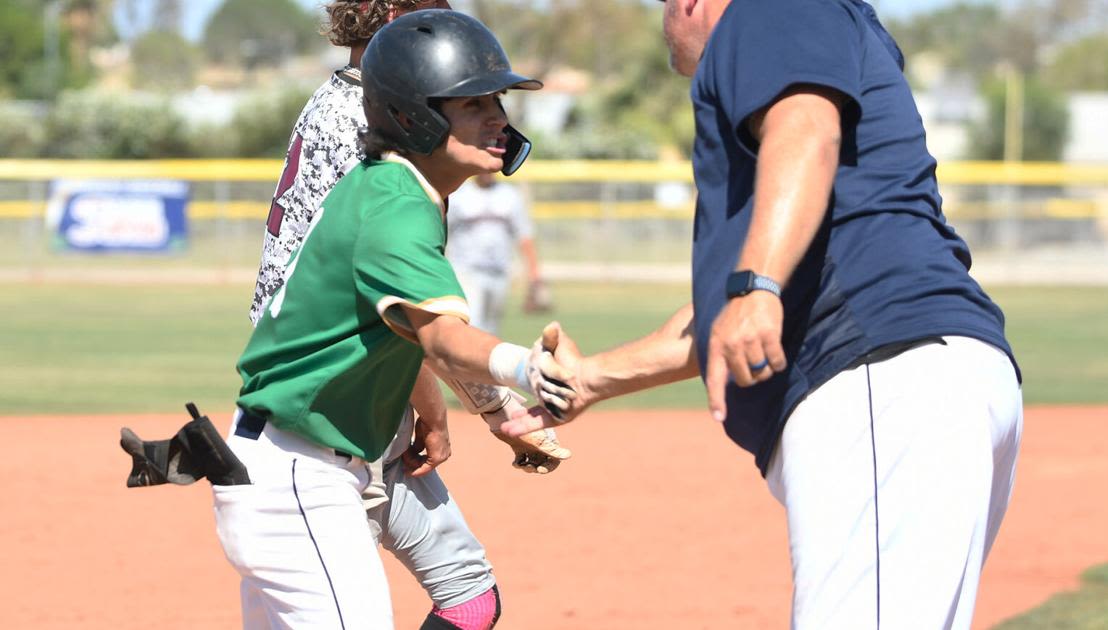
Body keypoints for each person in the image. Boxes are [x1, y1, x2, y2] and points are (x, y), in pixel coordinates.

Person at [502, 0, 1024, 627]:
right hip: (907, 372)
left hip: (877, 372)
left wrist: (758, 288)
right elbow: (723, 320)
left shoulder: (773, 8)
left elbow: (806, 127)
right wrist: (592, 378)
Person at [215, 10, 576, 629]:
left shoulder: (398, 184)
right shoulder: (394, 201)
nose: (499, 119)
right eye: (473, 103)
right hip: (304, 465)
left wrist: (470, 406)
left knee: (470, 597)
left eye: (497, 101)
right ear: (415, 115)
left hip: (326, 445)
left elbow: (404, 328)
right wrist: (525, 369)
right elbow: (439, 334)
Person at [446, 171, 548, 335]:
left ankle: (482, 360)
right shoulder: (459, 194)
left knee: (492, 329)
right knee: (473, 324)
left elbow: (524, 236)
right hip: (466, 271)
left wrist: (534, 276)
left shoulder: (509, 195)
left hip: (499, 272)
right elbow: (441, 231)